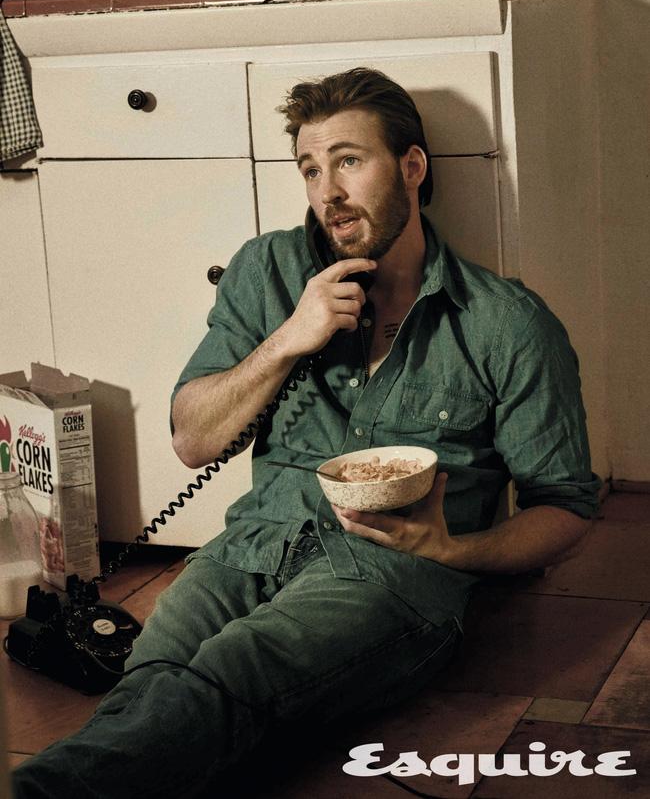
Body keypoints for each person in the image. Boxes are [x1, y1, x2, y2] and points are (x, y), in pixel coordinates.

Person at [12, 67, 601, 799]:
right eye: (311, 169)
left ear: (412, 167)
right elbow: (193, 441)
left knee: (232, 672)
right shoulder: (268, 270)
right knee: (151, 682)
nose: (328, 192)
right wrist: (289, 339)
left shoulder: (504, 322)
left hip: (387, 571)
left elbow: (565, 506)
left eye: (349, 161)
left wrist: (458, 552)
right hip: (251, 545)